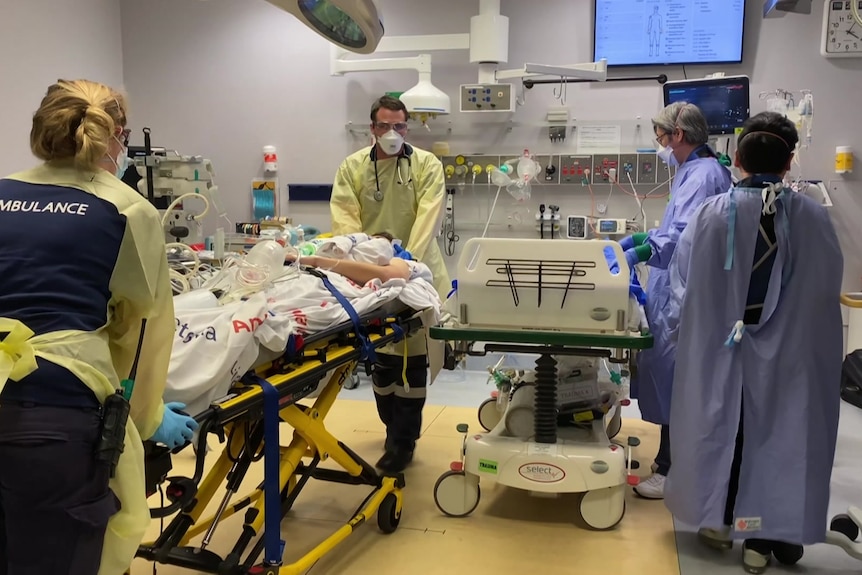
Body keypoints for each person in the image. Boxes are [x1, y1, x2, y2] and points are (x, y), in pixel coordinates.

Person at [0, 79, 198, 575]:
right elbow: (143, 330)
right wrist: (148, 417)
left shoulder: (2, 192)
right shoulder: (124, 206)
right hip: (53, 420)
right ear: (118, 137)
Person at [664, 112, 843, 574]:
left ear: (737, 159)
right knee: (782, 434)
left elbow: (684, 288)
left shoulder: (711, 215)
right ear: (788, 164)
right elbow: (823, 294)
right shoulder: (813, 218)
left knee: (726, 427)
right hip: (790, 356)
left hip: (719, 349)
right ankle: (765, 535)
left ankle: (720, 522)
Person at [330, 95, 450, 473]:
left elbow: (429, 216)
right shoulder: (352, 168)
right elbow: (346, 223)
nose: (393, 133)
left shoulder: (426, 165)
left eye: (400, 126)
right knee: (381, 356)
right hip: (370, 277)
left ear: (406, 128)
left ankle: (403, 440)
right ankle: (391, 427)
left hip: (417, 274)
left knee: (412, 358)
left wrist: (406, 262)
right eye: (385, 126)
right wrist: (367, 263)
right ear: (372, 129)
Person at [620, 102, 733, 500]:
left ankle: (673, 470)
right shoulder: (701, 171)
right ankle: (672, 463)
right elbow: (678, 226)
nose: (660, 144)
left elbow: (683, 235)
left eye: (661, 136)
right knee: (676, 379)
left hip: (688, 295)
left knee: (679, 380)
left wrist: (639, 252)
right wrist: (641, 239)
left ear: (678, 135)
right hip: (683, 288)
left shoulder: (701, 176)